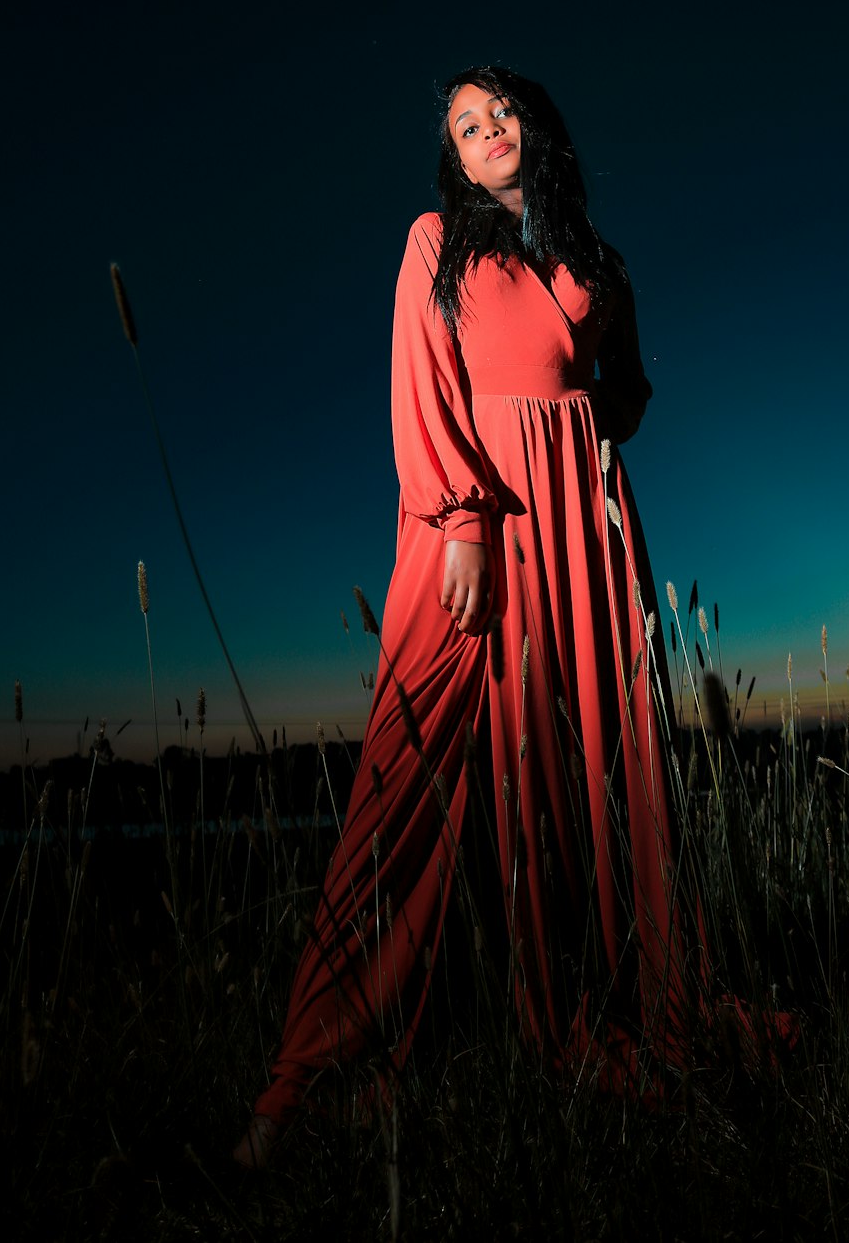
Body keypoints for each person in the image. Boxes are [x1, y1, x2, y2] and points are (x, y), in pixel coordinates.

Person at [234, 66, 692, 1168]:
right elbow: (421, 384)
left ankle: (575, 1006)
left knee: (586, 775)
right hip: (467, 530)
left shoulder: (594, 259)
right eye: (465, 125)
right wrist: (462, 520)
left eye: (500, 114)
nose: (487, 132)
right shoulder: (436, 239)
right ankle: (299, 1084)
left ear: (536, 124)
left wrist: (580, 430)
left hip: (580, 533)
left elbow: (625, 395)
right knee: (405, 782)